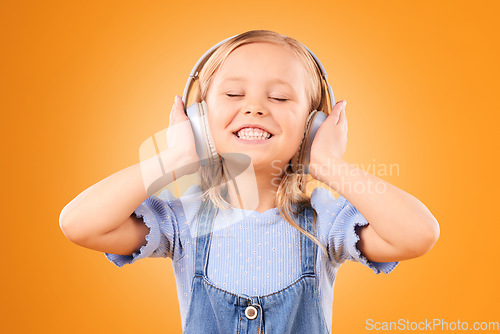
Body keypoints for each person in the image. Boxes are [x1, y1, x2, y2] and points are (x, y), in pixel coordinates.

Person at [59, 30, 440, 333]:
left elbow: (417, 235)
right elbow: (78, 224)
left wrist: (327, 164)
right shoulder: (181, 222)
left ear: (312, 126)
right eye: (233, 93)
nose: (255, 106)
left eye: (278, 97)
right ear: (199, 120)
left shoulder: (325, 224)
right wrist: (175, 159)